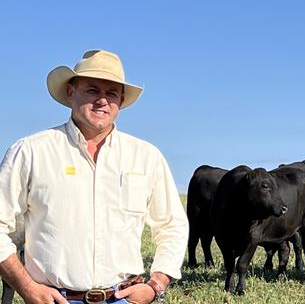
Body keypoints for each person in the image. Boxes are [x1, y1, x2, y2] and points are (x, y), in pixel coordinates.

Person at [0, 50, 189, 304]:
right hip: (54, 299)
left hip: (123, 298)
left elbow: (172, 225)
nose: (102, 100)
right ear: (71, 93)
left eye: (111, 93)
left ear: (120, 101)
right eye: (92, 90)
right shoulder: (31, 151)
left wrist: (156, 284)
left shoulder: (146, 157)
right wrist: (28, 288)